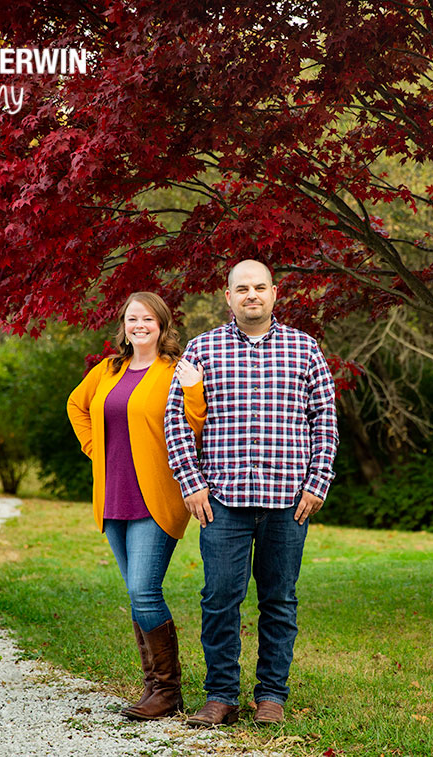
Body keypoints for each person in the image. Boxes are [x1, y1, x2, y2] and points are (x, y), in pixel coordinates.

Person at [164, 260, 338, 727]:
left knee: (279, 600)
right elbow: (176, 420)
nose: (252, 295)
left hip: (289, 503)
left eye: (260, 287)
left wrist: (318, 482)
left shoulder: (305, 349)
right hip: (222, 499)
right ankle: (220, 695)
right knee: (219, 597)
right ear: (228, 296)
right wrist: (191, 482)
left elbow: (325, 420)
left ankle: (271, 698)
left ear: (275, 293)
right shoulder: (202, 350)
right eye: (242, 289)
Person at [67, 291, 205, 721]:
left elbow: (197, 425)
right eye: (132, 319)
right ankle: (155, 688)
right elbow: (76, 405)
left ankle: (167, 691)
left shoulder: (174, 371)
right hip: (113, 497)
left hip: (155, 497)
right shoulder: (108, 369)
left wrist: (195, 389)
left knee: (144, 593)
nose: (139, 325)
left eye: (147, 318)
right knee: (135, 594)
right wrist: (95, 448)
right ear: (123, 326)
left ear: (162, 325)